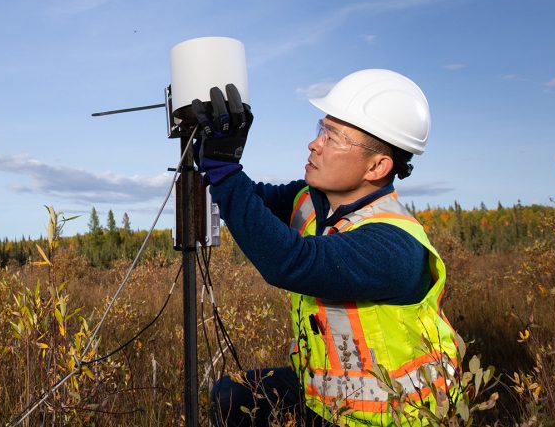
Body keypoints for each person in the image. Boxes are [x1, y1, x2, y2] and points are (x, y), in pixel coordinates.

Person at [192, 69, 461, 427]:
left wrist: (224, 170)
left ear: (377, 166)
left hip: (392, 415)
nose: (314, 144)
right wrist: (213, 154)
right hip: (327, 397)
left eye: (333, 137)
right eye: (321, 129)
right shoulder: (311, 199)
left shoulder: (394, 245)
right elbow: (249, 199)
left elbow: (290, 261)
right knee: (233, 395)